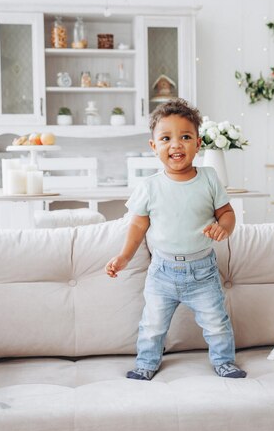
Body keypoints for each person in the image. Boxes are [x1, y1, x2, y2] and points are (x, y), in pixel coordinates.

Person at [105, 98, 246, 381]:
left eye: (185, 137)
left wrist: (224, 227)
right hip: (162, 273)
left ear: (198, 143)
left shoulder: (208, 178)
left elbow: (227, 212)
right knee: (152, 324)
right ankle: (146, 363)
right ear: (154, 146)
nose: (176, 145)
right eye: (166, 138)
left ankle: (224, 361)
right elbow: (137, 226)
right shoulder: (150, 186)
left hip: (203, 271)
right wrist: (123, 257)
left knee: (217, 322)